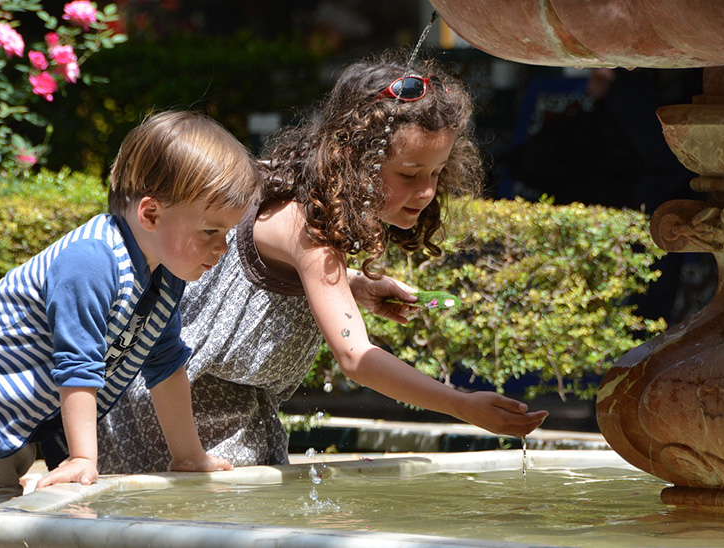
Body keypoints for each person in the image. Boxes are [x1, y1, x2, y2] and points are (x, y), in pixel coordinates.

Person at [96, 53, 549, 474]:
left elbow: (258, 274)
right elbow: (356, 357)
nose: (428, 191)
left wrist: (352, 285)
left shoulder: (299, 193)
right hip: (167, 419)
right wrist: (460, 404)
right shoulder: (309, 230)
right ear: (355, 161)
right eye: (409, 174)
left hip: (221, 415)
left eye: (436, 172)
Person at [0, 110, 261, 548]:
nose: (223, 248)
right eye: (210, 231)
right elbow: (77, 364)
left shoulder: (165, 277)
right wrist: (84, 457)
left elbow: (165, 365)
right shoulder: (91, 261)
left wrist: (189, 457)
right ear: (150, 214)